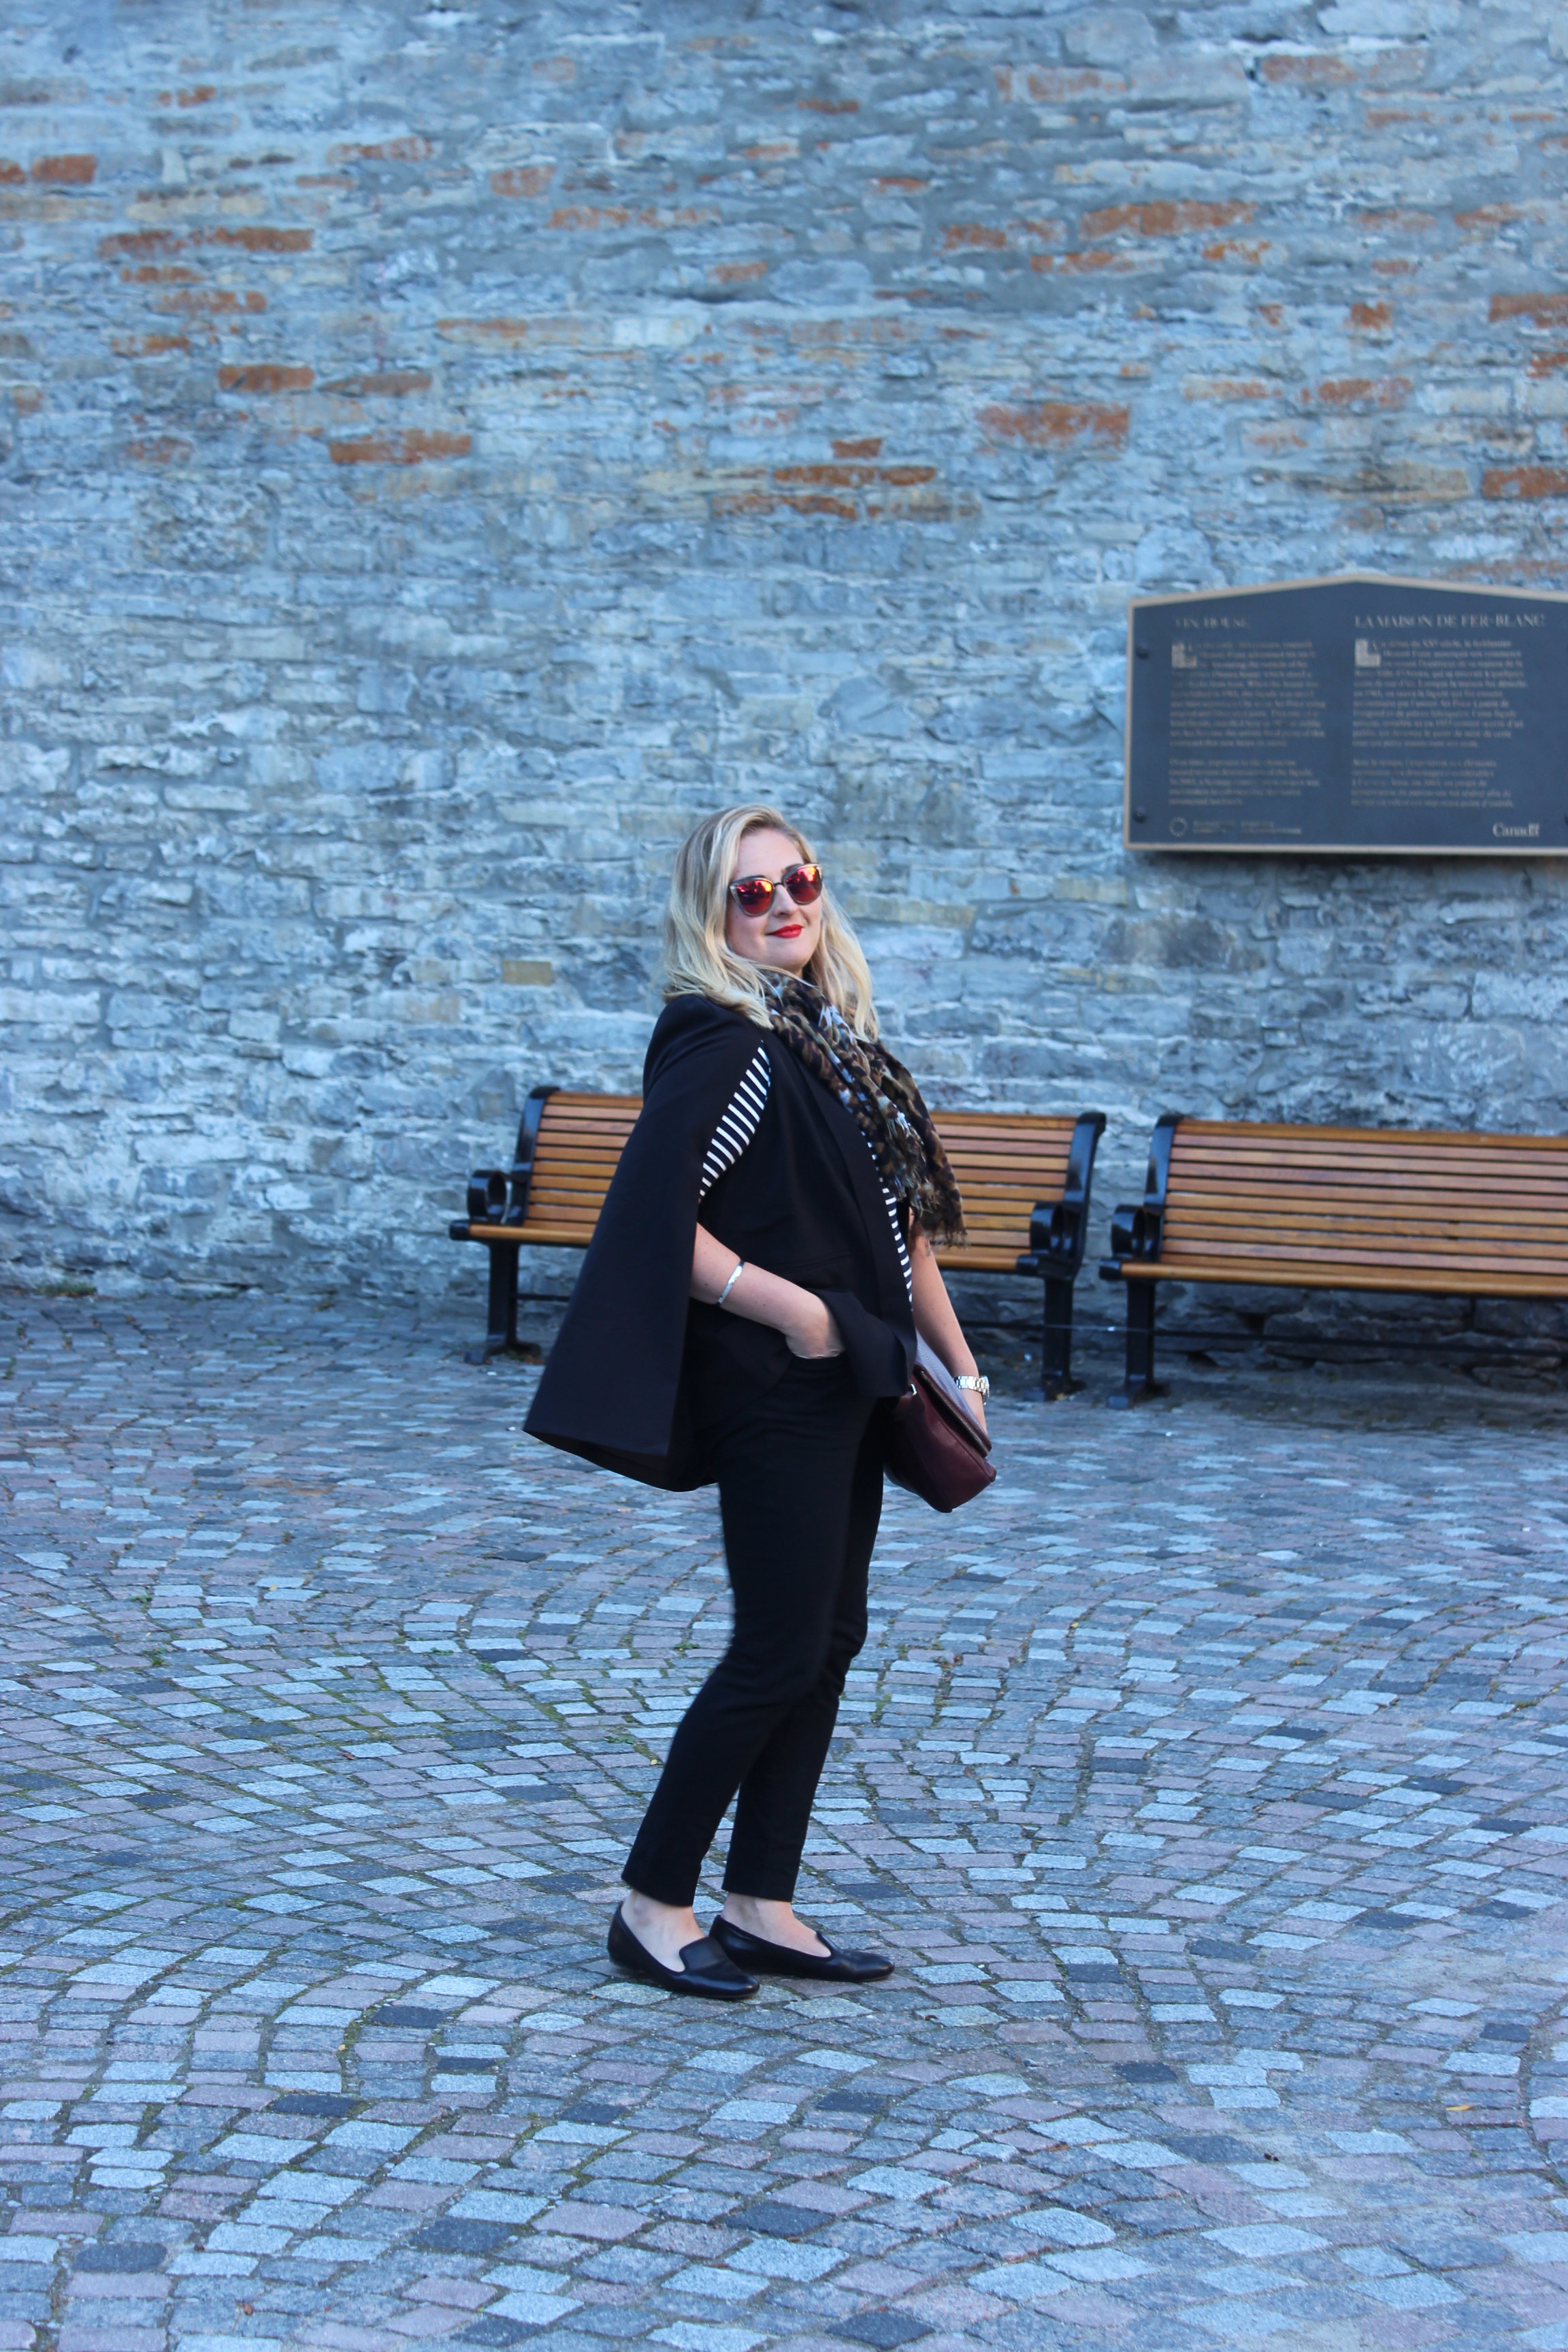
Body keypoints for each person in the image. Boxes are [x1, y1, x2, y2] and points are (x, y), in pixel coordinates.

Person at [525, 804, 990, 2000]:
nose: (784, 904)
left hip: (857, 1379)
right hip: (779, 1386)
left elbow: (902, 1230)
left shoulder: (831, 1040)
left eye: (801, 880)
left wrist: (959, 1365)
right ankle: (652, 1903)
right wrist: (796, 1313)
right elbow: (655, 1221)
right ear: (711, 914)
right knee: (779, 1645)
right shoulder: (725, 1045)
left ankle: (760, 1901)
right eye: (752, 891)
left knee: (829, 1638)